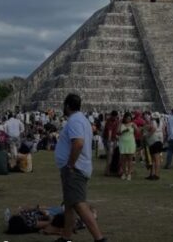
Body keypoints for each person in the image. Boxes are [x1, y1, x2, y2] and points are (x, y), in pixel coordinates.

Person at [54, 94, 106, 242]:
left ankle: (99, 238)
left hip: (74, 169)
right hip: (76, 167)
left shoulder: (75, 121)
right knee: (70, 205)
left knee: (78, 203)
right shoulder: (81, 119)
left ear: (68, 106)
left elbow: (78, 143)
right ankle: (66, 237)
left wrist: (70, 164)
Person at [117, 112, 137, 180]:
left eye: (129, 118)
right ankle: (124, 173)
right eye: (127, 118)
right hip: (123, 143)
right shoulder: (121, 124)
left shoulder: (133, 124)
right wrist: (123, 131)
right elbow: (118, 132)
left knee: (130, 159)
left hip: (130, 143)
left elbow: (137, 131)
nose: (128, 120)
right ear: (124, 118)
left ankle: (129, 173)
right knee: (123, 159)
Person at [145, 112, 164, 180]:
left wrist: (148, 135)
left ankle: (155, 174)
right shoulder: (161, 122)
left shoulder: (153, 122)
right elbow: (164, 131)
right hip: (159, 140)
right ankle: (153, 174)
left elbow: (153, 129)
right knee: (155, 159)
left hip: (153, 141)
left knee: (155, 159)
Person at [103, 111, 119, 176]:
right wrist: (109, 141)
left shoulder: (116, 121)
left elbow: (116, 131)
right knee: (109, 156)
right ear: (112, 116)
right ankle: (107, 171)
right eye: (114, 117)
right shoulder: (109, 122)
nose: (115, 118)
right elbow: (110, 132)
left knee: (112, 156)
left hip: (113, 139)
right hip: (109, 140)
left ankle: (109, 170)